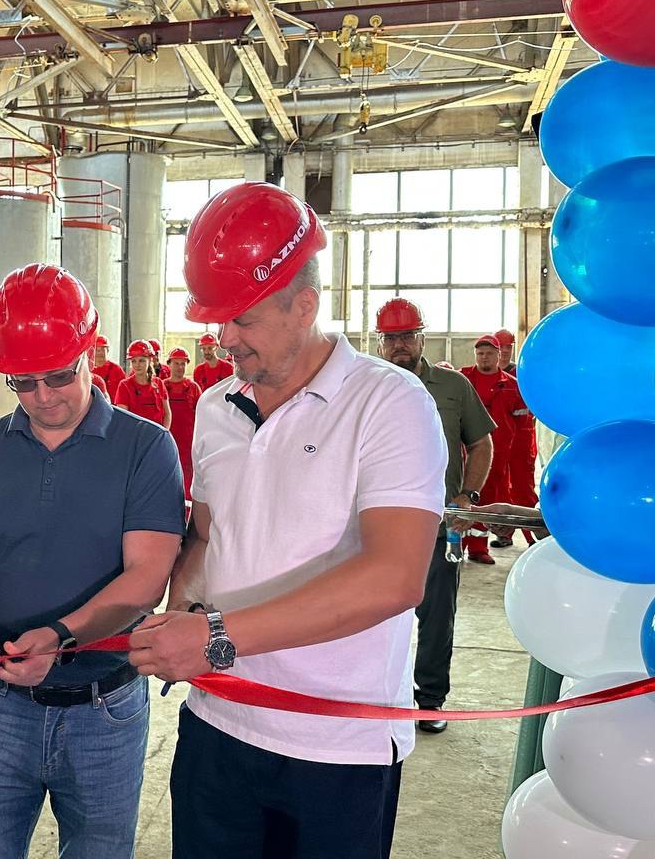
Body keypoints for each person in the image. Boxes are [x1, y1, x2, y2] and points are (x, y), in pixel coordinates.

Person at [128, 182, 447, 859]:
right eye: (216, 319)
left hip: (337, 742)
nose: (223, 338)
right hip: (218, 722)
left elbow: (394, 577)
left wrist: (214, 637)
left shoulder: (389, 403)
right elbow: (208, 535)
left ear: (305, 304)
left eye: (241, 319)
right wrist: (179, 614)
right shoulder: (215, 407)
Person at [0, 263, 185, 859]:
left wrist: (60, 636)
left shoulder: (145, 448)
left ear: (89, 350)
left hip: (105, 709)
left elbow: (147, 577)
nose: (43, 397)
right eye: (22, 382)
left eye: (59, 375)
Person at [375, 298, 494, 734]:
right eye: (391, 338)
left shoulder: (452, 386)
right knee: (368, 613)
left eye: (408, 335)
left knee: (438, 615)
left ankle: (429, 700)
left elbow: (480, 443)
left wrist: (468, 496)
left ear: (422, 338)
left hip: (439, 524)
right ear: (379, 342)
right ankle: (373, 697)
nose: (400, 345)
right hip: (375, 526)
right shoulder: (364, 384)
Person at [460, 336, 528, 564]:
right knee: (461, 498)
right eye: (480, 353)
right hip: (464, 453)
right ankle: (456, 546)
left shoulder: (512, 386)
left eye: (489, 353)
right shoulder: (462, 380)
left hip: (497, 457)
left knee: (488, 500)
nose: (484, 357)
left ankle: (478, 548)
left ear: (499, 356)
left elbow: (522, 423)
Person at [492, 328, 539, 547]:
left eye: (508, 347)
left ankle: (534, 537)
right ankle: (505, 534)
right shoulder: (485, 375)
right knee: (499, 488)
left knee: (523, 488)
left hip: (521, 438)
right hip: (497, 440)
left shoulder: (522, 373)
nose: (504, 351)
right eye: (500, 347)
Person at [165, 346, 202, 500]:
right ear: (169, 364)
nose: (180, 367)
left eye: (183, 364)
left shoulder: (193, 388)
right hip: (167, 439)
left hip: (188, 442)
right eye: (176, 363)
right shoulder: (161, 386)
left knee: (187, 479)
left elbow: (201, 415)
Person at [114, 340, 171, 428]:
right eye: (134, 361)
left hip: (156, 434)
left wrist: (164, 432)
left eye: (141, 361)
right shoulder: (124, 385)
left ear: (150, 360)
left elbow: (167, 414)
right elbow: (123, 418)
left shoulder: (159, 383)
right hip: (134, 434)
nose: (137, 365)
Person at [89, 335, 126, 400]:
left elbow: (125, 391)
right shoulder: (88, 369)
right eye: (97, 350)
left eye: (102, 349)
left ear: (108, 350)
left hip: (114, 405)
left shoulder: (117, 370)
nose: (99, 352)